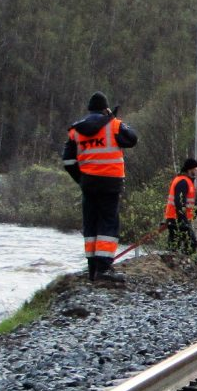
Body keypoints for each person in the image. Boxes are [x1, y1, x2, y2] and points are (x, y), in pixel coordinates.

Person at [62, 91, 138, 282]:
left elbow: (68, 161)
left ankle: (92, 269)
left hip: (88, 182)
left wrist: (80, 179)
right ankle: (104, 268)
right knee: (108, 222)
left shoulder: (75, 130)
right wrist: (113, 117)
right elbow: (132, 139)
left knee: (91, 223)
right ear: (105, 108)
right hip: (110, 182)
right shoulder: (114, 124)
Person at [164, 158, 197, 254]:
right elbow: (179, 202)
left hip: (178, 218)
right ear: (189, 170)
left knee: (176, 245)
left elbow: (190, 203)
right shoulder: (183, 182)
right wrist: (183, 220)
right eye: (195, 169)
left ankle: (176, 264)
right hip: (177, 219)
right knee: (190, 243)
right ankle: (183, 264)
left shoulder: (186, 181)